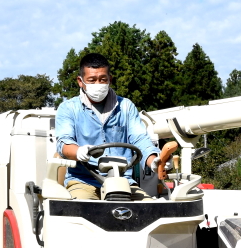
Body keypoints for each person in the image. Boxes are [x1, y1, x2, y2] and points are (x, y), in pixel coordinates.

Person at [53, 52, 176, 200]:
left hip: (123, 182)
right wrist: (78, 152)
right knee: (79, 211)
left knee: (148, 208)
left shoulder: (126, 107)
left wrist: (154, 161)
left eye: (102, 79)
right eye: (92, 80)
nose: (98, 84)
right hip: (83, 181)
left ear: (110, 79)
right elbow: (64, 143)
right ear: (80, 81)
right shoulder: (68, 108)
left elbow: (140, 140)